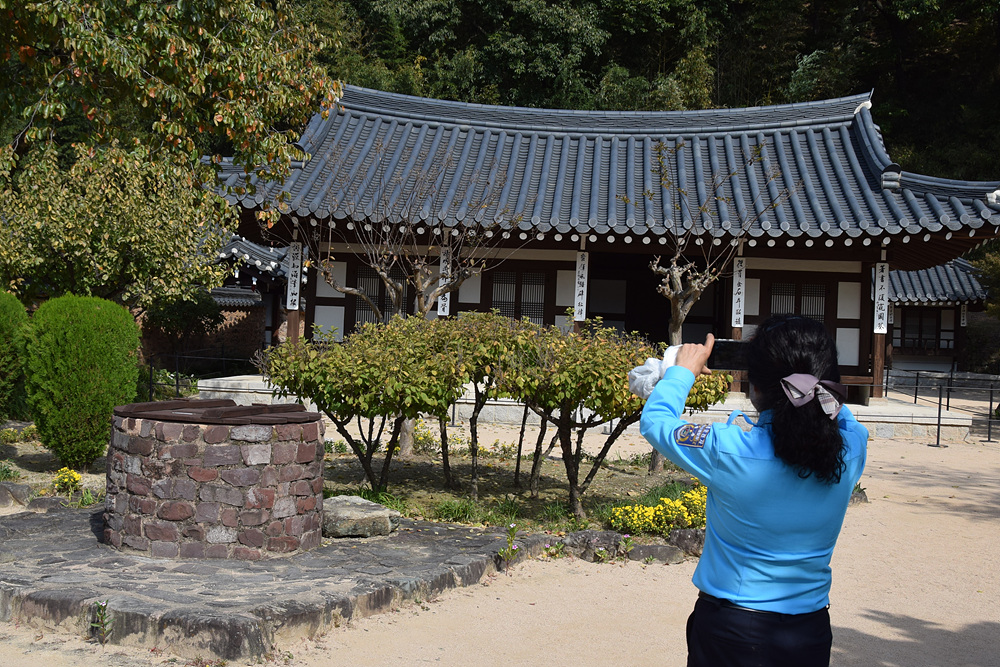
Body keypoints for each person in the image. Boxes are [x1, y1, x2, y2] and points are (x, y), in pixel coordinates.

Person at [639, 315, 868, 667]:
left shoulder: (728, 449)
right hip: (810, 631)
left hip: (733, 629)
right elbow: (838, 413)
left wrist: (682, 371)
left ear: (755, 387)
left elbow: (657, 422)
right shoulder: (852, 447)